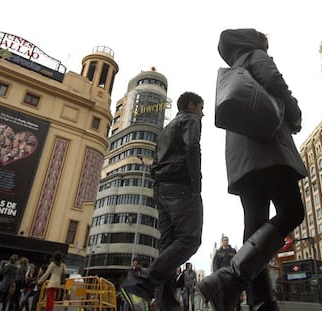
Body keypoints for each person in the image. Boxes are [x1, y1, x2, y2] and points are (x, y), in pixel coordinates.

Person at [197, 28, 307, 311]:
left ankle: (261, 302)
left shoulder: (231, 73)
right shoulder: (255, 56)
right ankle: (230, 278)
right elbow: (274, 81)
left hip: (241, 159)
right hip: (267, 147)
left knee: (254, 226)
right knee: (292, 211)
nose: (267, 50)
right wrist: (294, 113)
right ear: (255, 42)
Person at [121, 91, 204, 311]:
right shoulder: (190, 119)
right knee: (189, 239)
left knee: (168, 247)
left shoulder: (168, 127)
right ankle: (141, 283)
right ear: (192, 104)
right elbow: (192, 147)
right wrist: (196, 184)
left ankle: (167, 304)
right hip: (181, 186)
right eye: (201, 108)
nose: (202, 113)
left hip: (161, 188)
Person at [212, 236, 241, 311]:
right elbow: (215, 264)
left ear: (228, 241)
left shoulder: (233, 251)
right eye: (224, 240)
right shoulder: (218, 252)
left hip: (232, 275)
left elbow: (237, 261)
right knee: (222, 294)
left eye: (226, 240)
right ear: (222, 241)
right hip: (222, 276)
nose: (225, 241)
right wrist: (216, 273)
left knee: (234, 294)